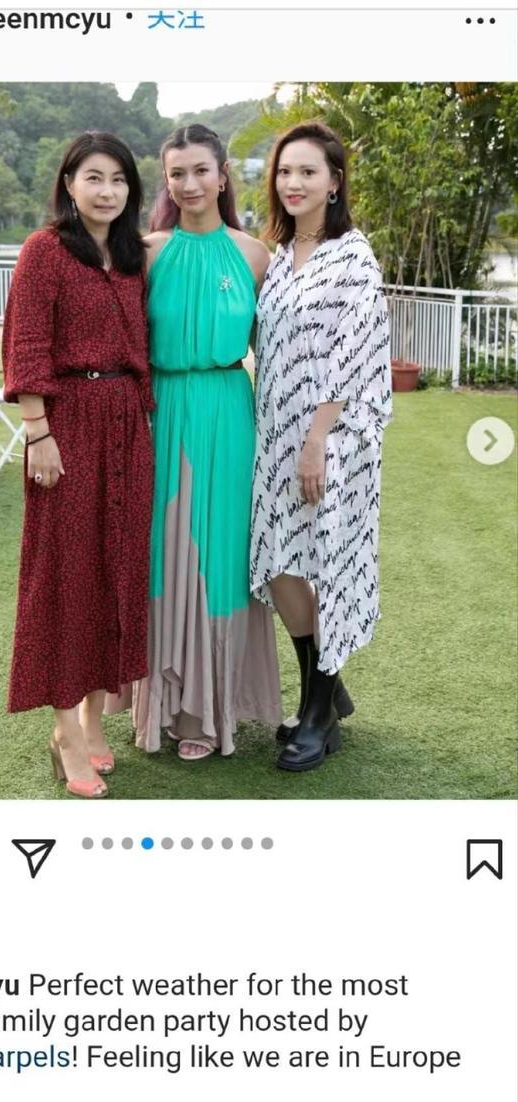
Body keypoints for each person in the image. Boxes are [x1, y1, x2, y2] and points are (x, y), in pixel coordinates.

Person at [2, 132, 154, 798]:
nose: (107, 191)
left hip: (127, 425)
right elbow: (27, 344)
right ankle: (64, 728)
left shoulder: (130, 256)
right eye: (94, 177)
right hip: (66, 423)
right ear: (69, 183)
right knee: (64, 575)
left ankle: (94, 719)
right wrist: (38, 433)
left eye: (118, 180)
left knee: (115, 571)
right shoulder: (44, 251)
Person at [134, 124, 282, 760]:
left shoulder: (255, 256)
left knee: (220, 557)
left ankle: (207, 710)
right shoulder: (146, 253)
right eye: (177, 173)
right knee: (165, 552)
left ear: (223, 176)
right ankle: (163, 701)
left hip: (228, 414)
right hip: (163, 412)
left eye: (201, 170)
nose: (190, 183)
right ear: (166, 182)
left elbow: (278, 355)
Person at [250, 121, 392, 772]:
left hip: (335, 437)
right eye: (284, 171)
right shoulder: (279, 258)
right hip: (275, 432)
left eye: (308, 171)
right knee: (276, 561)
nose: (294, 182)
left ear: (334, 182)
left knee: (329, 564)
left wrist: (316, 442)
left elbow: (352, 354)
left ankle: (316, 712)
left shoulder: (352, 256)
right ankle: (326, 692)